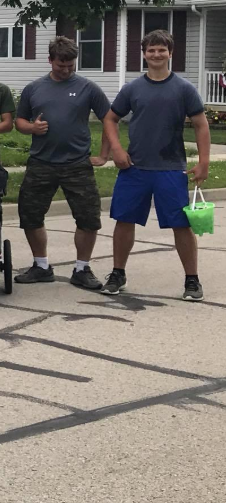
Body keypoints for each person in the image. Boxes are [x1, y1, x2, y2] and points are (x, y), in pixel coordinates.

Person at [102, 29, 210, 300]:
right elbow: (110, 118)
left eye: (162, 50)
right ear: (144, 54)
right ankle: (118, 273)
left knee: (181, 225)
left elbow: (200, 124)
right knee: (124, 220)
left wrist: (204, 162)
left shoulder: (184, 89)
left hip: (171, 168)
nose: (156, 54)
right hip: (134, 167)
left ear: (170, 53)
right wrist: (116, 149)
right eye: (151, 50)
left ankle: (192, 280)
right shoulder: (133, 88)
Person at [13, 37, 111, 289]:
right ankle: (41, 265)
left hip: (77, 163)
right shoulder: (34, 88)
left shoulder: (88, 88)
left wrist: (103, 155)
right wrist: (32, 128)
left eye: (70, 66)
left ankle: (82, 268)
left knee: (88, 217)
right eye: (60, 66)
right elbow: (19, 121)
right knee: (30, 214)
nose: (66, 70)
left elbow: (110, 120)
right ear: (50, 61)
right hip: (41, 162)